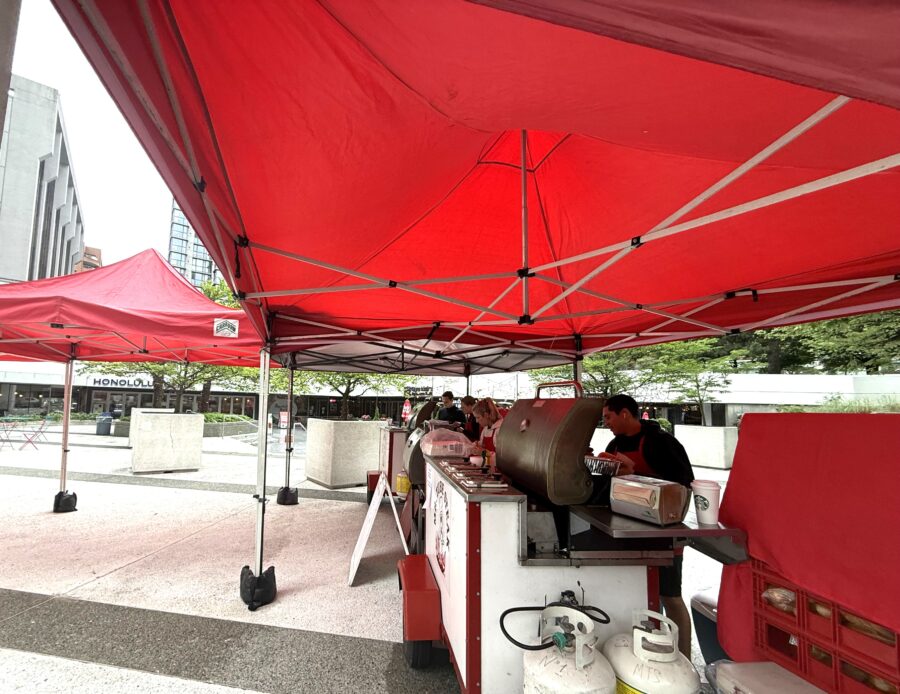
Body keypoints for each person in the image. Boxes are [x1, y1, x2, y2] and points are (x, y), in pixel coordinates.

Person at [603, 393, 695, 657]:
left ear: (624, 414)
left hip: (663, 530)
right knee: (641, 593)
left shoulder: (661, 442)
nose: (606, 422)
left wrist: (636, 475)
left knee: (670, 595)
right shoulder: (614, 444)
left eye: (608, 417)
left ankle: (685, 658)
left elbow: (683, 485)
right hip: (629, 527)